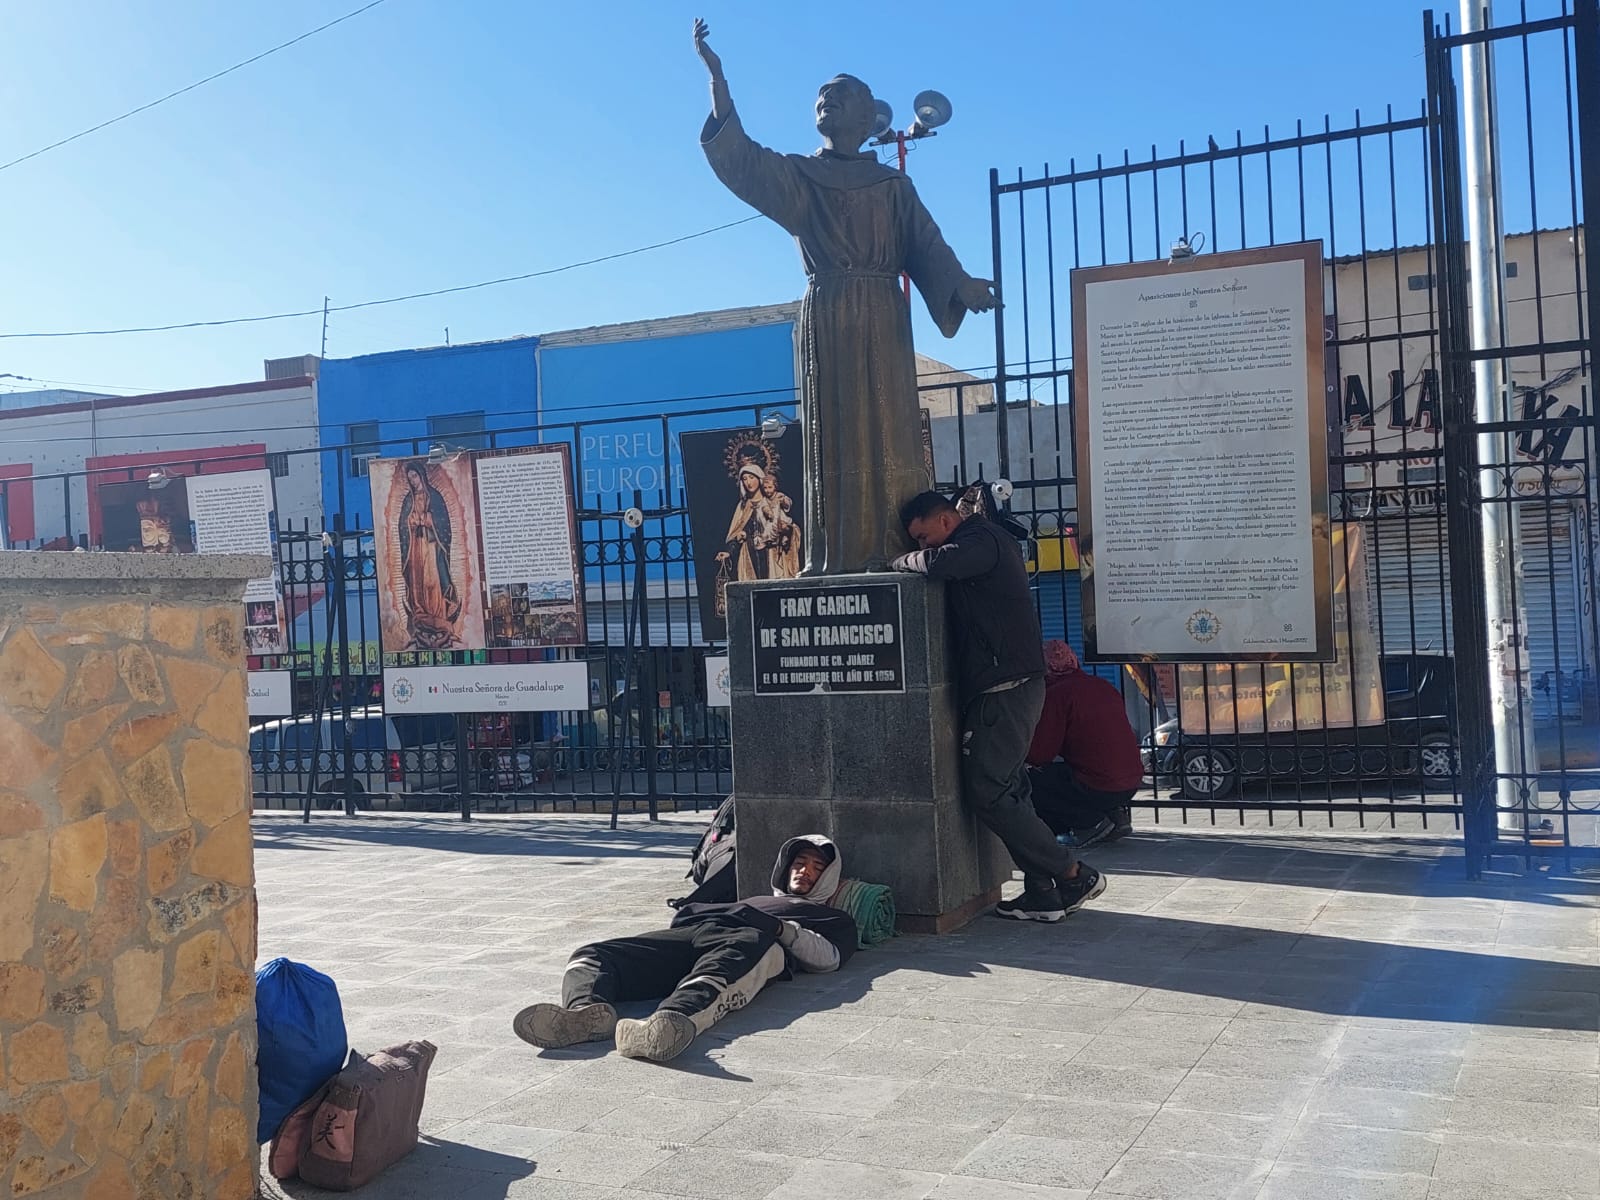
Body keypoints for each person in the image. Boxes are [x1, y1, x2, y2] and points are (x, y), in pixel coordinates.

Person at [694, 19, 998, 574]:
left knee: (888, 429)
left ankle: (890, 550)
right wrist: (718, 83)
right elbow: (741, 159)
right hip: (829, 313)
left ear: (865, 116)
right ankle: (833, 557)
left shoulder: (893, 186)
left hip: (883, 313)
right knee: (833, 440)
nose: (827, 101)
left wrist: (960, 285)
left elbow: (927, 245)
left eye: (842, 96)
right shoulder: (802, 177)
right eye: (821, 97)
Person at [892, 492, 1106, 922]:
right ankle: (1043, 891)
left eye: (923, 536)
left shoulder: (981, 538)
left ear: (947, 520)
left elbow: (938, 565)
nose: (922, 547)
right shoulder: (976, 540)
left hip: (1004, 687)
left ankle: (1073, 872)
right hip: (1007, 685)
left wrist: (899, 563)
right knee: (1010, 790)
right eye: (915, 542)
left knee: (988, 790)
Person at [513, 836, 857, 1062]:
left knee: (741, 952)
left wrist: (781, 928)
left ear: (828, 878)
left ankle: (670, 1022)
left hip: (756, 942)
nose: (804, 871)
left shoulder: (831, 917)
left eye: (816, 868)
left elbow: (829, 959)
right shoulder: (754, 897)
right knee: (594, 954)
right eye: (800, 863)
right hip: (698, 931)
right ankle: (586, 1014)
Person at [1028, 641, 1141, 847]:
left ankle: (1090, 824)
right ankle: (1114, 815)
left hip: (1099, 785)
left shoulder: (1057, 694)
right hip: (1131, 781)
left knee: (1029, 780)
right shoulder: (1102, 685)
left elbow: (1039, 754)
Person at [397, 460, 463, 650]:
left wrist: (427, 520)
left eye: (415, 477)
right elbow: (403, 525)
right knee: (417, 581)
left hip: (432, 545)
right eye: (410, 479)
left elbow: (443, 522)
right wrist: (411, 521)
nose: (413, 481)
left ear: (421, 476)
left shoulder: (434, 496)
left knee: (432, 580)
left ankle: (438, 614)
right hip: (415, 546)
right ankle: (420, 611)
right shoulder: (408, 500)